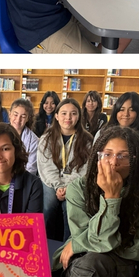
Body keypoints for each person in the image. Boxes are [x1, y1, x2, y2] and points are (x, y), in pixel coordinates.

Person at [53, 126, 139, 277]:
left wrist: (112, 197)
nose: (113, 162)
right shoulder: (79, 188)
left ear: (135, 160)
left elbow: (134, 251)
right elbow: (81, 232)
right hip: (81, 262)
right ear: (97, 156)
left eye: (123, 156)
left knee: (92, 261)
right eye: (107, 154)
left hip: (125, 267)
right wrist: (88, 242)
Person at [37, 97, 91, 241]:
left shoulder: (87, 140)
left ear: (79, 116)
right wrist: (59, 186)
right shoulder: (46, 138)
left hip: (75, 182)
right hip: (51, 182)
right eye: (63, 113)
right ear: (56, 116)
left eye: (73, 113)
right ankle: (46, 243)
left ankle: (68, 246)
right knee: (48, 207)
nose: (68, 117)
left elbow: (85, 169)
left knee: (70, 208)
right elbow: (46, 166)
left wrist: (68, 187)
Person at [99, 92, 139, 182]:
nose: (126, 114)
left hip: (132, 186)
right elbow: (93, 164)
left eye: (131, 110)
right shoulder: (102, 134)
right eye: (121, 109)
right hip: (103, 181)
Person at [7, 97, 39, 174]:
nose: (18, 120)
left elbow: (31, 169)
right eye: (15, 114)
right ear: (10, 114)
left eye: (23, 116)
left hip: (22, 177)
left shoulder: (33, 140)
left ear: (28, 118)